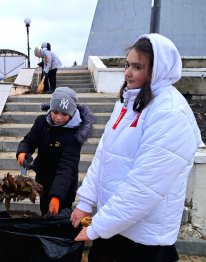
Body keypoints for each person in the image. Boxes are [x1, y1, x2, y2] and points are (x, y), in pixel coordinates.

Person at [70, 33, 203, 262]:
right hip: (114, 228)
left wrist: (97, 227)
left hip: (144, 241)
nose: (127, 72)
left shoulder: (170, 113)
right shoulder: (129, 101)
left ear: (157, 70)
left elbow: (144, 186)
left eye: (137, 67)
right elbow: (104, 155)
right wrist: (85, 202)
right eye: (127, 64)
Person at [16, 87, 94, 216]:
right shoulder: (41, 122)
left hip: (64, 186)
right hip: (42, 180)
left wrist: (57, 196)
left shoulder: (75, 134)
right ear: (50, 109)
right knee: (44, 210)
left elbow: (67, 167)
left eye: (64, 114)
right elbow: (29, 140)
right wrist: (22, 152)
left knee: (59, 217)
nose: (58, 117)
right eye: (55, 112)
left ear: (72, 113)